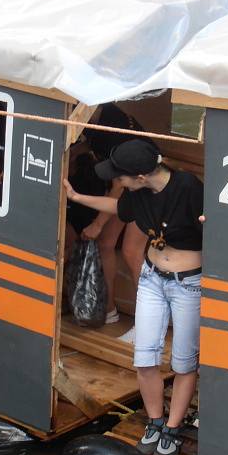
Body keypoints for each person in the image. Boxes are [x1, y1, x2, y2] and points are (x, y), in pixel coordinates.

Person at [64, 138, 204, 455]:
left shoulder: (188, 187)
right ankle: (155, 421)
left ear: (140, 176)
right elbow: (120, 208)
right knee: (144, 358)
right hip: (152, 278)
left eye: (120, 177)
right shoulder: (137, 193)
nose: (117, 182)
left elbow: (215, 220)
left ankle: (172, 427)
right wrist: (77, 196)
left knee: (184, 361)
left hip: (189, 284)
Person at [67, 104, 148, 325]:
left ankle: (149, 324)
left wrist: (98, 224)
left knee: (132, 250)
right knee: (105, 244)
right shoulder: (93, 119)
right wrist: (74, 153)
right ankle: (110, 309)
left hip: (147, 187)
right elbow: (91, 142)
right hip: (129, 186)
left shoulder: (114, 127)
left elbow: (118, 187)